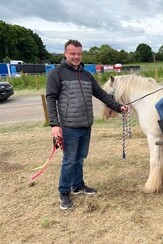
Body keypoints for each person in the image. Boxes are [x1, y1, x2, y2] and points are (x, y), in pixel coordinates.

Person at [46, 40, 129, 210]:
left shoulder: (86, 75)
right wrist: (55, 125)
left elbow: (100, 94)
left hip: (86, 125)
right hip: (69, 126)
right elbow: (51, 99)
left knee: (80, 157)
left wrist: (118, 107)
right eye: (72, 54)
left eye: (79, 54)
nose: (76, 57)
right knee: (69, 160)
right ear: (65, 54)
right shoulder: (57, 73)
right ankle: (64, 191)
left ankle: (77, 185)